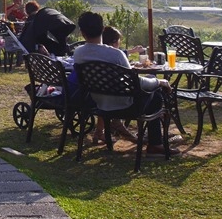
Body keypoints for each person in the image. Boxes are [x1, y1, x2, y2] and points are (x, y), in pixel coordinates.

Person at [72, 11, 179, 156]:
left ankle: (155, 141)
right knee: (156, 93)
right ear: (103, 29)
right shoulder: (116, 54)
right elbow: (136, 82)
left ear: (83, 33)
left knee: (153, 86)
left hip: (98, 105)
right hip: (126, 106)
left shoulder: (78, 53)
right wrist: (159, 81)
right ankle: (156, 144)